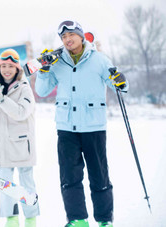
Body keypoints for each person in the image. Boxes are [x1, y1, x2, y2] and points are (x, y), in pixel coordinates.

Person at [35, 20, 128, 227]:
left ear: (81, 35)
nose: (67, 40)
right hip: (66, 128)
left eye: (71, 35)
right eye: (63, 37)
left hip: (93, 127)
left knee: (99, 175)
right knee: (70, 176)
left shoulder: (100, 60)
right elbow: (41, 91)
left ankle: (104, 220)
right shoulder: (56, 63)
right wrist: (44, 70)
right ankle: (77, 219)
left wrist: (121, 81)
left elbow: (119, 86)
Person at [0, 49, 40, 227]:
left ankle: (30, 218)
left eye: (10, 66)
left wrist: (1, 98)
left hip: (22, 145)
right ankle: (11, 219)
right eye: (3, 66)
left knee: (26, 183)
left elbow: (21, 113)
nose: (6, 69)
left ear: (17, 69)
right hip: (0, 145)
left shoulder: (24, 88)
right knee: (5, 185)